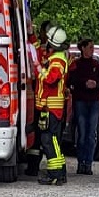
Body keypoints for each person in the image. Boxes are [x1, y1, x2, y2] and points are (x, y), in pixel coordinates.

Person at [66, 37, 99, 176]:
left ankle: (88, 163)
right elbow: (71, 81)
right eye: (90, 47)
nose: (92, 50)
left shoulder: (96, 64)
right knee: (82, 133)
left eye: (93, 47)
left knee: (91, 134)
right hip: (80, 101)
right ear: (83, 48)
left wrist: (96, 84)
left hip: (94, 101)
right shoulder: (76, 64)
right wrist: (84, 83)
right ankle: (80, 162)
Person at [36, 25, 70, 186]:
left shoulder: (57, 60)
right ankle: (60, 173)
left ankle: (54, 174)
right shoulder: (57, 57)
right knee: (53, 140)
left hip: (51, 107)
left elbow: (51, 79)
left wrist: (39, 71)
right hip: (52, 106)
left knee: (49, 140)